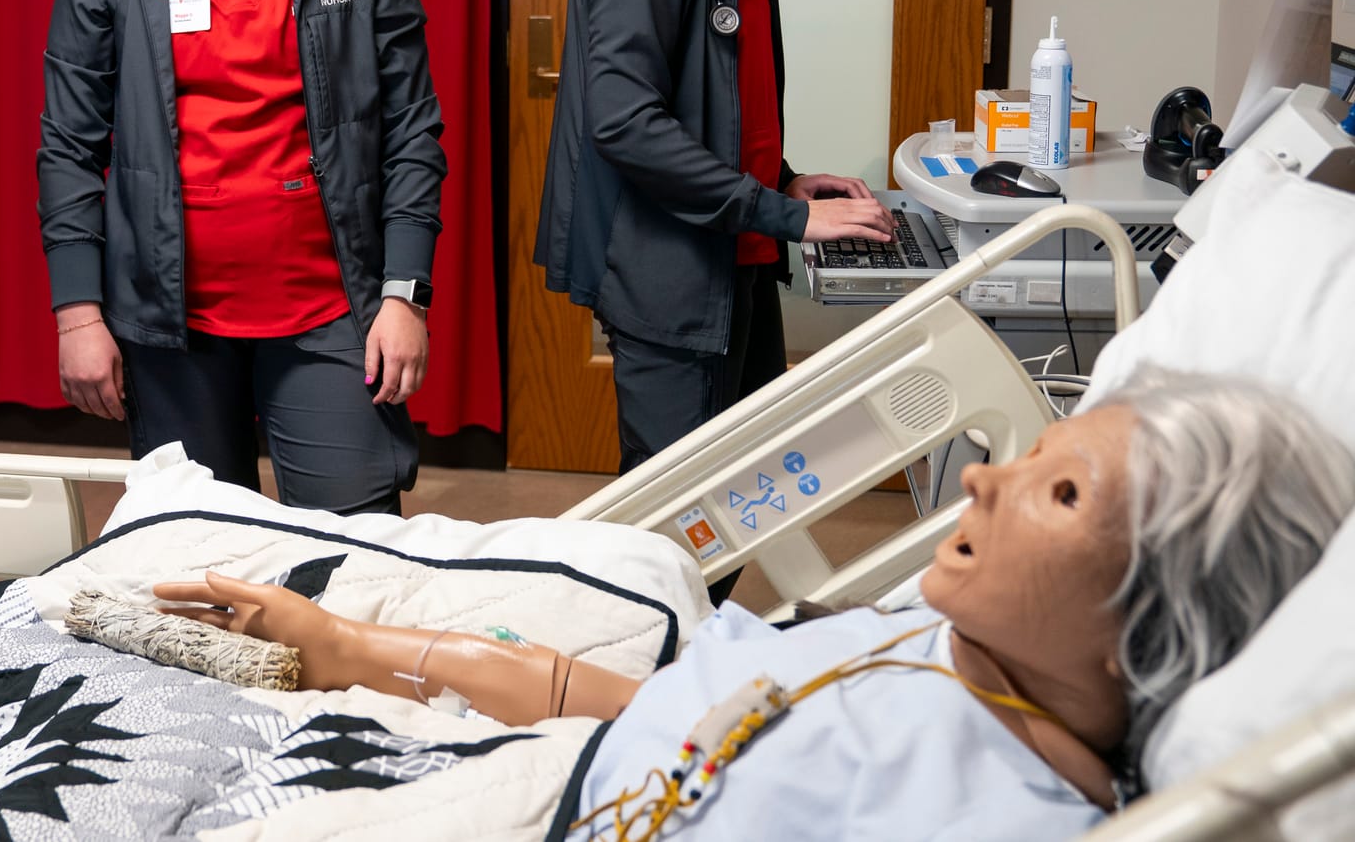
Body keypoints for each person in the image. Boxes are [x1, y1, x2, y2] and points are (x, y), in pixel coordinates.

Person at [157, 369, 1355, 838]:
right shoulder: (926, 641)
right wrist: (349, 646)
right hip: (561, 767)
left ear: (1155, 609)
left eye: (1057, 488)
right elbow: (640, 709)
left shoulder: (997, 813)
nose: (980, 473)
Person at [38, 0, 444, 516]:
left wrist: (405, 293)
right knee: (200, 565)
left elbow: (412, 130)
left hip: (330, 308)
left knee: (353, 554)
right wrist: (77, 312)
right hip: (168, 320)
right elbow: (68, 144)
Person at [535, 0, 896, 478]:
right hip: (675, 273)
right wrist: (781, 215)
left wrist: (787, 180)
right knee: (686, 525)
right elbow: (627, 122)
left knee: (744, 500)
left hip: (735, 246)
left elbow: (720, 85)